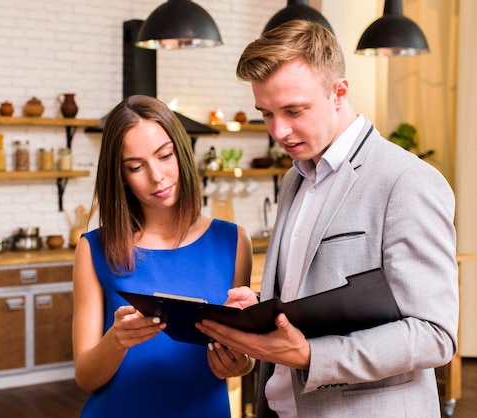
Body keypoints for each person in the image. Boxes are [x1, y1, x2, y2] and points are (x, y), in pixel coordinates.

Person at [196, 20, 458, 417]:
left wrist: (312, 355)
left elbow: (434, 335)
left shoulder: (407, 181)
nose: (279, 131)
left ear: (339, 92)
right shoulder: (292, 179)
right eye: (266, 113)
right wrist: (260, 311)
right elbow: (309, 296)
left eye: (294, 110)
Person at [72, 94, 254, 417]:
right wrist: (117, 340)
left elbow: (243, 353)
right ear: (121, 177)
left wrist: (240, 363)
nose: (156, 176)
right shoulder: (93, 249)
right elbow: (85, 377)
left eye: (165, 155)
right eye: (136, 167)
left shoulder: (234, 243)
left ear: (180, 153)